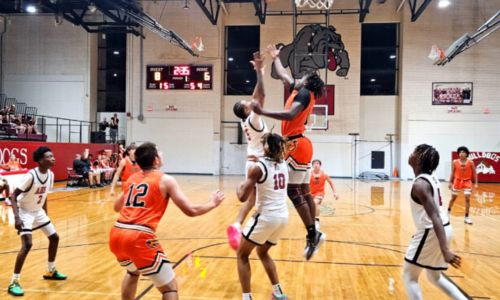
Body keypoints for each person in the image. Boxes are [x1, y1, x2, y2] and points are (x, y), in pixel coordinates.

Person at [109, 142, 225, 300]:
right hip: (139, 236)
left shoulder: (132, 178)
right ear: (155, 160)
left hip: (117, 234)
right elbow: (191, 211)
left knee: (132, 272)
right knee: (169, 288)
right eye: (159, 152)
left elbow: (116, 207)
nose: (162, 154)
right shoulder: (165, 180)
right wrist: (213, 203)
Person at [251, 44, 326, 260]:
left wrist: (263, 111)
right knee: (303, 190)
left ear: (308, 82)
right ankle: (315, 231)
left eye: (302, 75)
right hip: (301, 144)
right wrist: (276, 57)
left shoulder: (304, 93)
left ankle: (312, 233)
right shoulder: (299, 89)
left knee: (294, 192)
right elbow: (284, 75)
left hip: (295, 144)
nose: (297, 76)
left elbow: (290, 114)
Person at [403, 144, 468, 300]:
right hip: (441, 228)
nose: (411, 154)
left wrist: (445, 250)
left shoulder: (420, 185)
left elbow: (435, 217)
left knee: (409, 276)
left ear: (419, 160)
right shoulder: (429, 178)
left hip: (432, 231)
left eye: (415, 152)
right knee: (434, 276)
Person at [7, 147, 67, 297]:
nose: (53, 158)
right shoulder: (31, 175)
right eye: (49, 156)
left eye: (53, 156)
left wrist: (45, 213)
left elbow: (44, 195)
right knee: (27, 245)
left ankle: (50, 270)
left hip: (38, 211)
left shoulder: (51, 175)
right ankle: (14, 281)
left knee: (54, 238)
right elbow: (13, 196)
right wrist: (17, 217)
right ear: (40, 160)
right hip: (24, 212)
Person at [236, 133, 289, 300]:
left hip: (266, 217)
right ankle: (279, 293)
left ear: (266, 147)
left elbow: (243, 197)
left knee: (242, 255)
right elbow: (271, 159)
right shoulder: (284, 164)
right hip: (283, 217)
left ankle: (247, 298)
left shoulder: (258, 168)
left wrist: (239, 186)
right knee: (262, 252)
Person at [227, 51, 268, 250]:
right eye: (247, 104)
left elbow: (255, 96)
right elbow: (260, 96)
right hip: (258, 163)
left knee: (253, 200)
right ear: (246, 111)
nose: (249, 103)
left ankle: (236, 224)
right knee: (256, 200)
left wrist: (260, 73)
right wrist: (260, 73)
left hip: (252, 160)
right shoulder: (253, 119)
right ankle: (256, 232)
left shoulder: (247, 120)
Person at [448, 146, 478, 224]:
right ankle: (447, 212)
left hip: (467, 181)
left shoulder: (471, 162)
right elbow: (452, 172)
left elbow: (474, 173)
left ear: (466, 154)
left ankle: (467, 217)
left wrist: (476, 183)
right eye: (460, 152)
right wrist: (449, 182)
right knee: (453, 198)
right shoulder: (454, 162)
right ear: (458, 154)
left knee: (467, 198)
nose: (461, 153)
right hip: (457, 181)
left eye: (463, 152)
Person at [309, 159, 338, 230]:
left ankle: (317, 221)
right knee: (311, 208)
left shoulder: (324, 174)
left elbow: (331, 182)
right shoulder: (309, 173)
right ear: (312, 165)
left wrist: (335, 192)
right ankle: (311, 221)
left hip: (320, 193)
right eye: (314, 163)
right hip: (310, 193)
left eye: (317, 163)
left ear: (320, 165)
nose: (316, 165)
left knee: (315, 203)